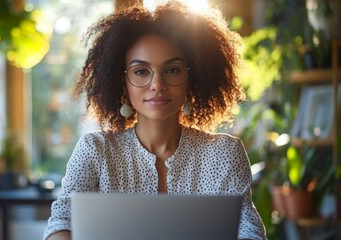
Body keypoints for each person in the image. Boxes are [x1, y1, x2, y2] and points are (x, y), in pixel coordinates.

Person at [43, 1, 266, 240]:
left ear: (193, 77)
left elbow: (249, 230)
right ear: (122, 81)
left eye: (172, 70)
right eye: (141, 71)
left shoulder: (224, 153)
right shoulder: (95, 151)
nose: (157, 84)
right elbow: (60, 221)